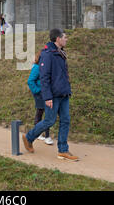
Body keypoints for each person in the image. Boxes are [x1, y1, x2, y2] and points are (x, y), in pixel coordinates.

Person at [22, 28, 79, 161]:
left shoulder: (60, 52)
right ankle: (29, 137)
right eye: (64, 37)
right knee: (49, 121)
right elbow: (44, 77)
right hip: (53, 95)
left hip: (64, 93)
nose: (66, 39)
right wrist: (47, 97)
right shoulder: (48, 54)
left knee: (66, 120)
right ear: (58, 39)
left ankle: (63, 150)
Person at [27, 51, 53, 145]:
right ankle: (46, 136)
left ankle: (40, 134)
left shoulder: (45, 67)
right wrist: (38, 90)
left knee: (42, 112)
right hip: (40, 94)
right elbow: (30, 81)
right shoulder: (37, 67)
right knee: (43, 113)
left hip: (46, 93)